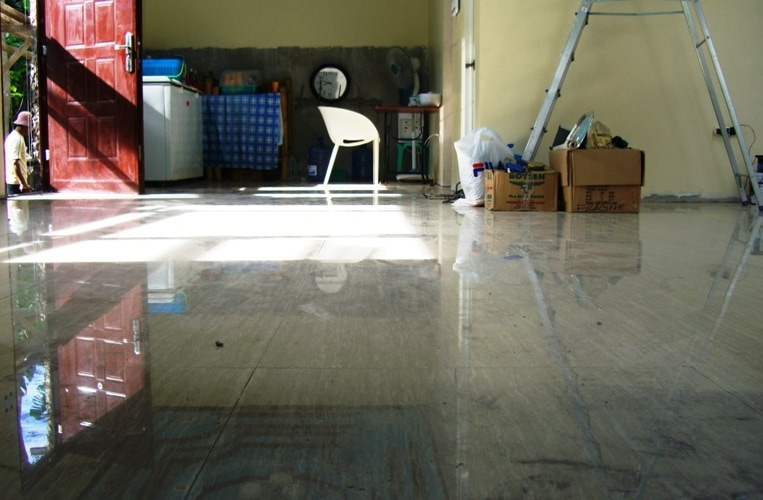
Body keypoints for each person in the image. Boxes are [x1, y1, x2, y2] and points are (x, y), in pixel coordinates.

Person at [5, 110, 32, 196]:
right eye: (29, 127)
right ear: (24, 126)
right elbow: (15, 163)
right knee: (18, 204)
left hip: (11, 180)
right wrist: (23, 183)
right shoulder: (17, 139)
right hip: (16, 183)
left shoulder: (12, 136)